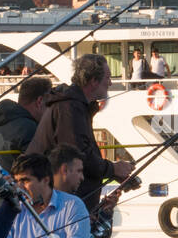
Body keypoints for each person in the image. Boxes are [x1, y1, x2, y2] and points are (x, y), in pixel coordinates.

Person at [26, 53, 132, 213]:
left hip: (63, 201)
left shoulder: (74, 106)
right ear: (93, 81)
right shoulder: (69, 108)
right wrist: (113, 169)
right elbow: (77, 157)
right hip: (57, 205)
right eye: (107, 78)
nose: (110, 83)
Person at [0, 74, 51, 175]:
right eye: (49, 105)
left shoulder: (1, 122)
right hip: (17, 189)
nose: (49, 111)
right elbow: (39, 170)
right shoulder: (27, 127)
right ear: (39, 101)